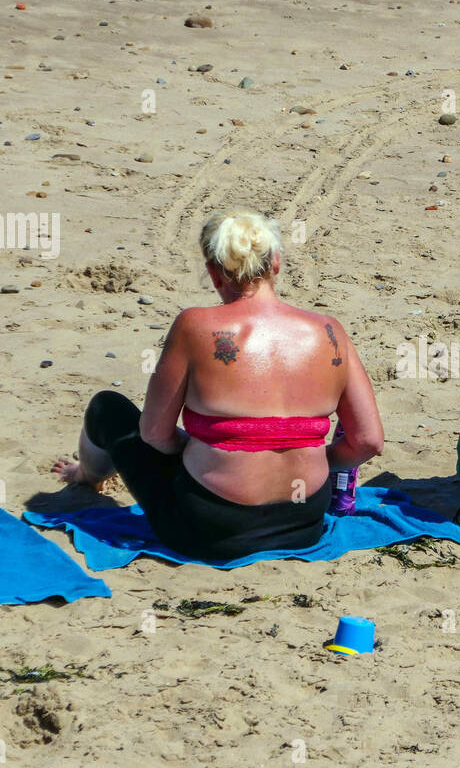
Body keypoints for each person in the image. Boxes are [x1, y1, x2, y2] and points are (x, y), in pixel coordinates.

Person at [54, 210, 384, 561]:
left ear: (214, 274)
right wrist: (320, 460)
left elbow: (154, 434)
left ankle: (86, 475)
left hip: (211, 529)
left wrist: (206, 446)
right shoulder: (330, 332)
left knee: (108, 407)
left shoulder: (194, 325)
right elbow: (368, 440)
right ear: (276, 262)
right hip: (302, 524)